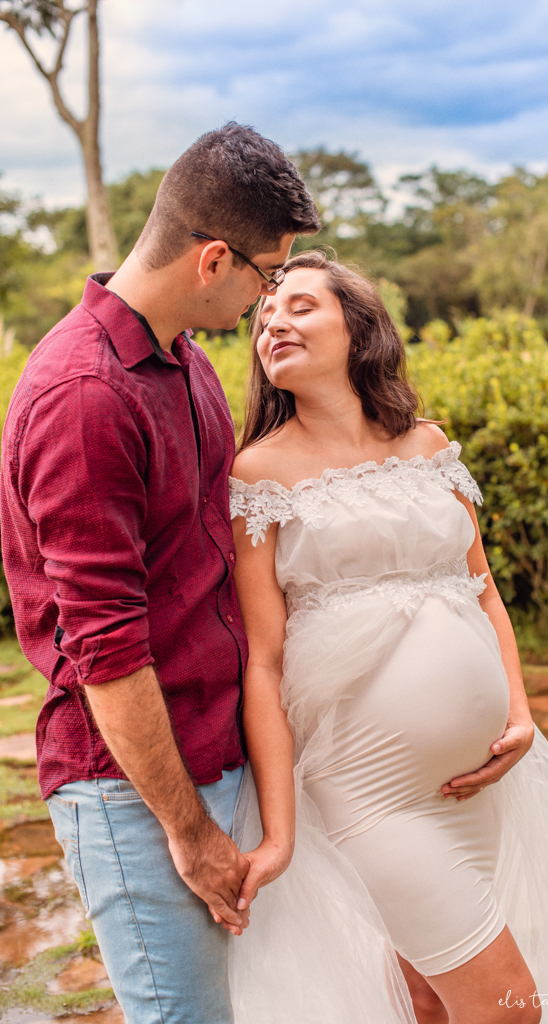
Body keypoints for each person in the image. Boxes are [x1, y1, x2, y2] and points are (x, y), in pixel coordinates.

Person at [227, 250, 548, 1024]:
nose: (273, 321)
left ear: (360, 326)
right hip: (371, 793)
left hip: (476, 785)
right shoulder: (258, 473)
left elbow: (483, 591)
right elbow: (264, 662)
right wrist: (279, 832)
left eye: (301, 306)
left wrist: (518, 712)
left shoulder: (429, 445)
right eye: (264, 316)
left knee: (426, 998)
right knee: (509, 1008)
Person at [0, 123, 320, 1024]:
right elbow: (102, 645)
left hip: (216, 750)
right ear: (214, 258)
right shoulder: (85, 394)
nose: (269, 299)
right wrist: (188, 831)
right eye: (268, 273)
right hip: (135, 786)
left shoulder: (184, 364)